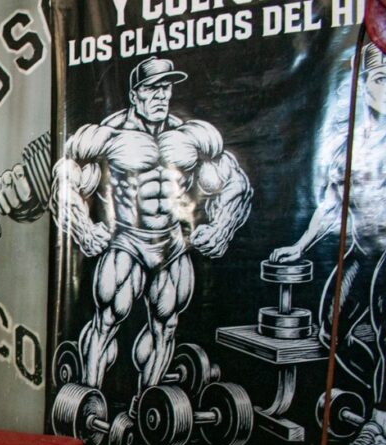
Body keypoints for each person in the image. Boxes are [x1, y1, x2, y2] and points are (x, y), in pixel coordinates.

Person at [48, 56, 252, 395]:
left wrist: (221, 228)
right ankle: (89, 399)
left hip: (171, 243)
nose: (161, 95)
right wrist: (85, 230)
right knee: (109, 319)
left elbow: (236, 184)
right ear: (134, 94)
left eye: (166, 87)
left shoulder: (191, 137)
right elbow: (65, 182)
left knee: (167, 325)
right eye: (151, 88)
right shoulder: (108, 135)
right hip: (128, 240)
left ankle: (150, 406)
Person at [270, 43, 386, 445]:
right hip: (363, 251)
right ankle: (379, 401)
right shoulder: (352, 144)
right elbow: (333, 202)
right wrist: (300, 247)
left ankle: (380, 426)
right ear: (363, 85)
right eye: (380, 79)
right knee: (330, 330)